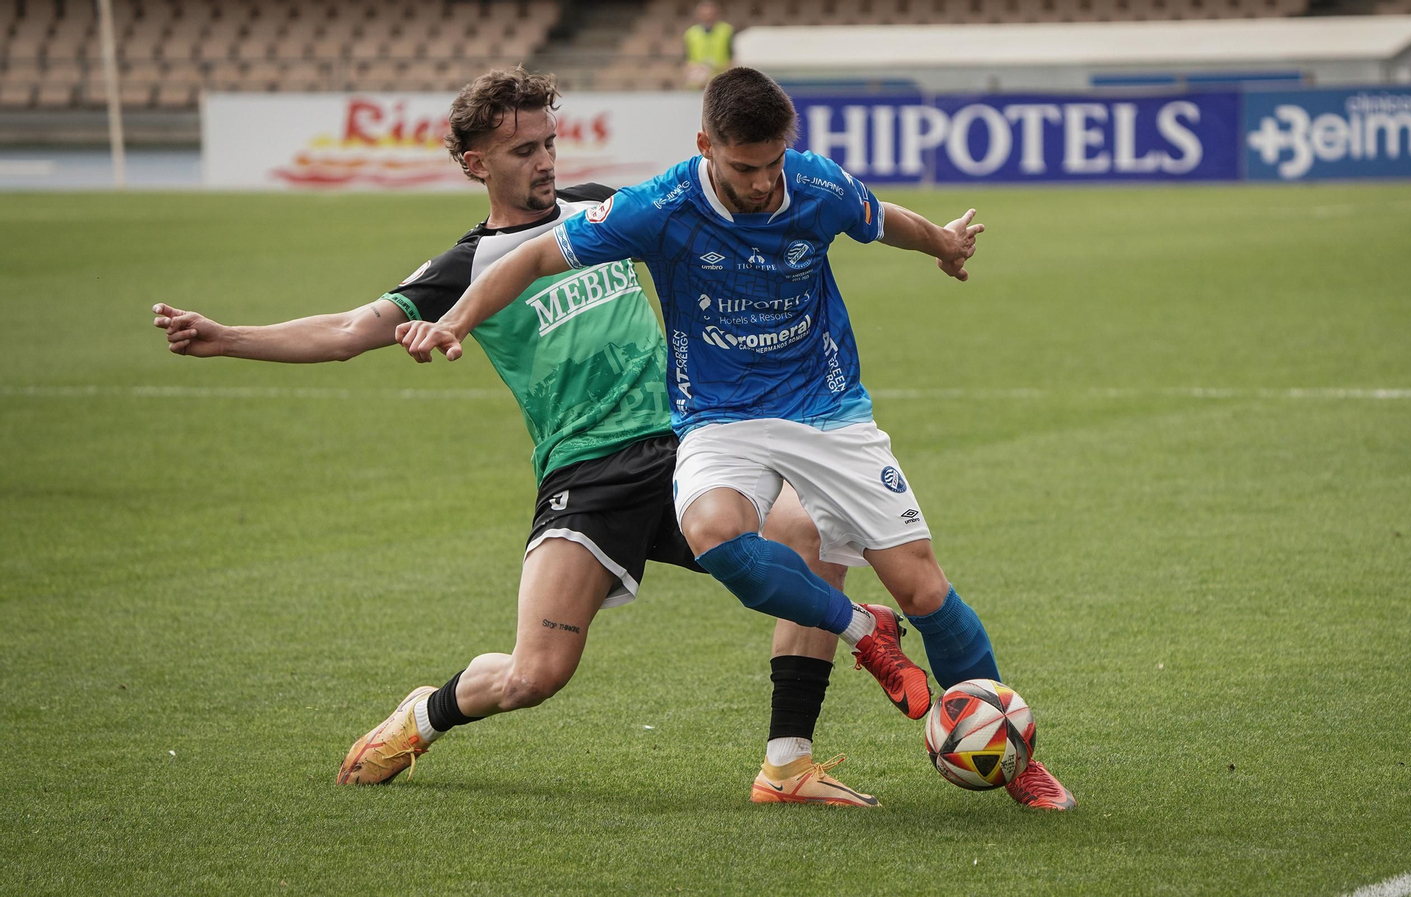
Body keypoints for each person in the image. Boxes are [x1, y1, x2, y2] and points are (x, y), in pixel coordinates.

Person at [150, 67, 923, 807]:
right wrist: (226, 338)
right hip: (586, 476)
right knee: (535, 674)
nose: (546, 161)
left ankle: (787, 763)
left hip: (685, 448)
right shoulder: (468, 264)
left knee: (811, 534)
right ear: (475, 163)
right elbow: (348, 330)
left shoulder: (602, 207)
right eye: (524, 150)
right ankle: (424, 714)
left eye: (549, 143)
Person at [396, 67, 1076, 810]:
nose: (761, 182)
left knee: (922, 588)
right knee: (713, 530)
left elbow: (881, 218)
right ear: (706, 147)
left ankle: (1014, 758)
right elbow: (530, 257)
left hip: (827, 409)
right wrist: (454, 321)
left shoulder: (815, 184)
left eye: (772, 163)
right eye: (744, 167)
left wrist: (941, 242)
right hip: (720, 418)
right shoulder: (662, 205)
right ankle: (862, 631)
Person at [682, 1, 733, 89]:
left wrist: (714, 69)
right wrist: (697, 69)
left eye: (710, 13)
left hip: (720, 81)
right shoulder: (691, 33)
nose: (708, 16)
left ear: (716, 13)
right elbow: (686, 62)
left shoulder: (727, 31)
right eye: (704, 13)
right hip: (697, 81)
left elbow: (733, 60)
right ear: (699, 14)